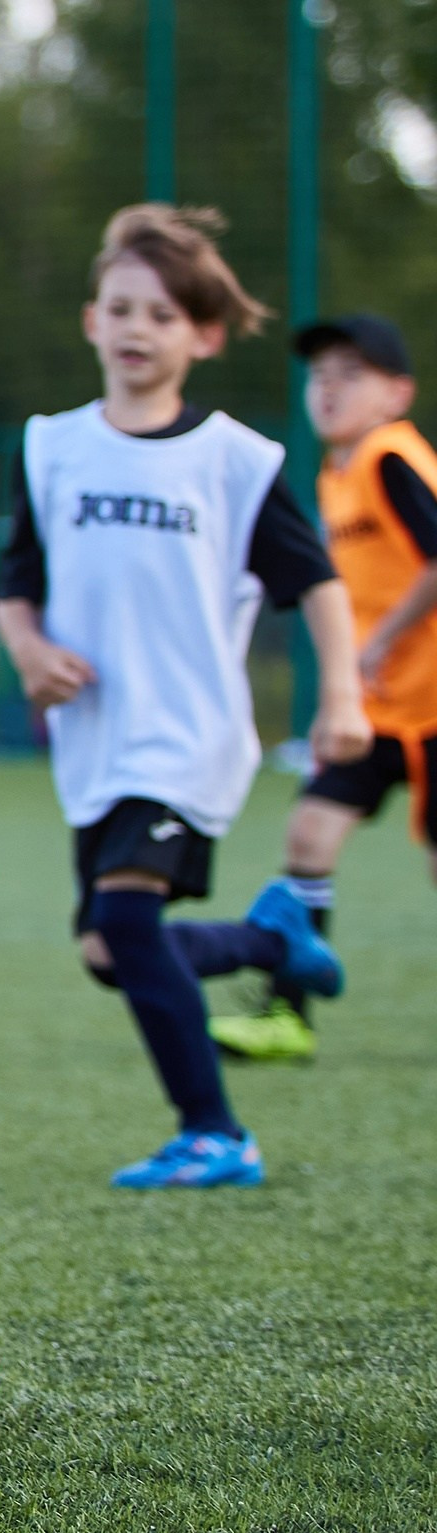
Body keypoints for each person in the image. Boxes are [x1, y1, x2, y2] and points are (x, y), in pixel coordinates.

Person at [0, 204, 368, 1190]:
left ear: (204, 334)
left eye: (162, 314)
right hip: (96, 741)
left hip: (186, 735)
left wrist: (341, 696)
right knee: (107, 949)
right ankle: (270, 936)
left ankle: (215, 1133)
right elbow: (15, 584)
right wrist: (30, 651)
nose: (136, 328)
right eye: (120, 308)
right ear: (90, 320)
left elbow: (317, 583)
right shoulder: (51, 447)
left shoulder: (235, 461)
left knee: (125, 925)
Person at [213, 314, 437, 1062]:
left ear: (398, 393)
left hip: (430, 699)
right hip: (382, 707)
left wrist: (378, 641)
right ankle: (288, 1014)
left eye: (352, 374)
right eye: (319, 375)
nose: (330, 389)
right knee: (310, 833)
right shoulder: (336, 475)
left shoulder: (389, 456)